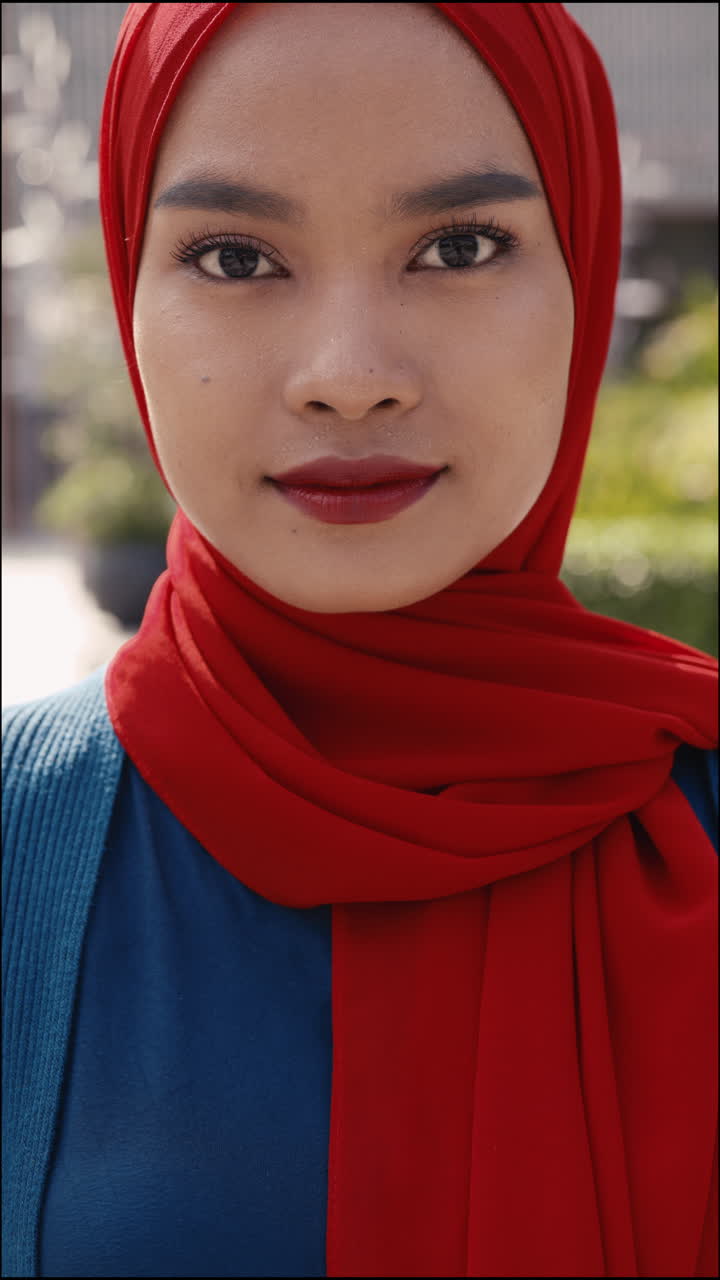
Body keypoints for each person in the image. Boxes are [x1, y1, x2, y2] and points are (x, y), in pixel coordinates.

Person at [3, 3, 717, 1277]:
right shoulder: (20, 848)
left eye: (459, 244)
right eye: (233, 257)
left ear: (587, 271)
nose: (348, 373)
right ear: (130, 291)